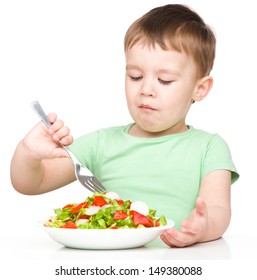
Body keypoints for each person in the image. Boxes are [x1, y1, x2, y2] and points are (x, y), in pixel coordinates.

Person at [10, 4, 239, 247]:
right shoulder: (101, 144)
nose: (146, 90)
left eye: (165, 80)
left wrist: (203, 228)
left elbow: (218, 210)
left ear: (200, 88)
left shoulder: (209, 147)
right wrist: (29, 153)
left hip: (179, 266)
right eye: (135, 76)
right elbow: (30, 183)